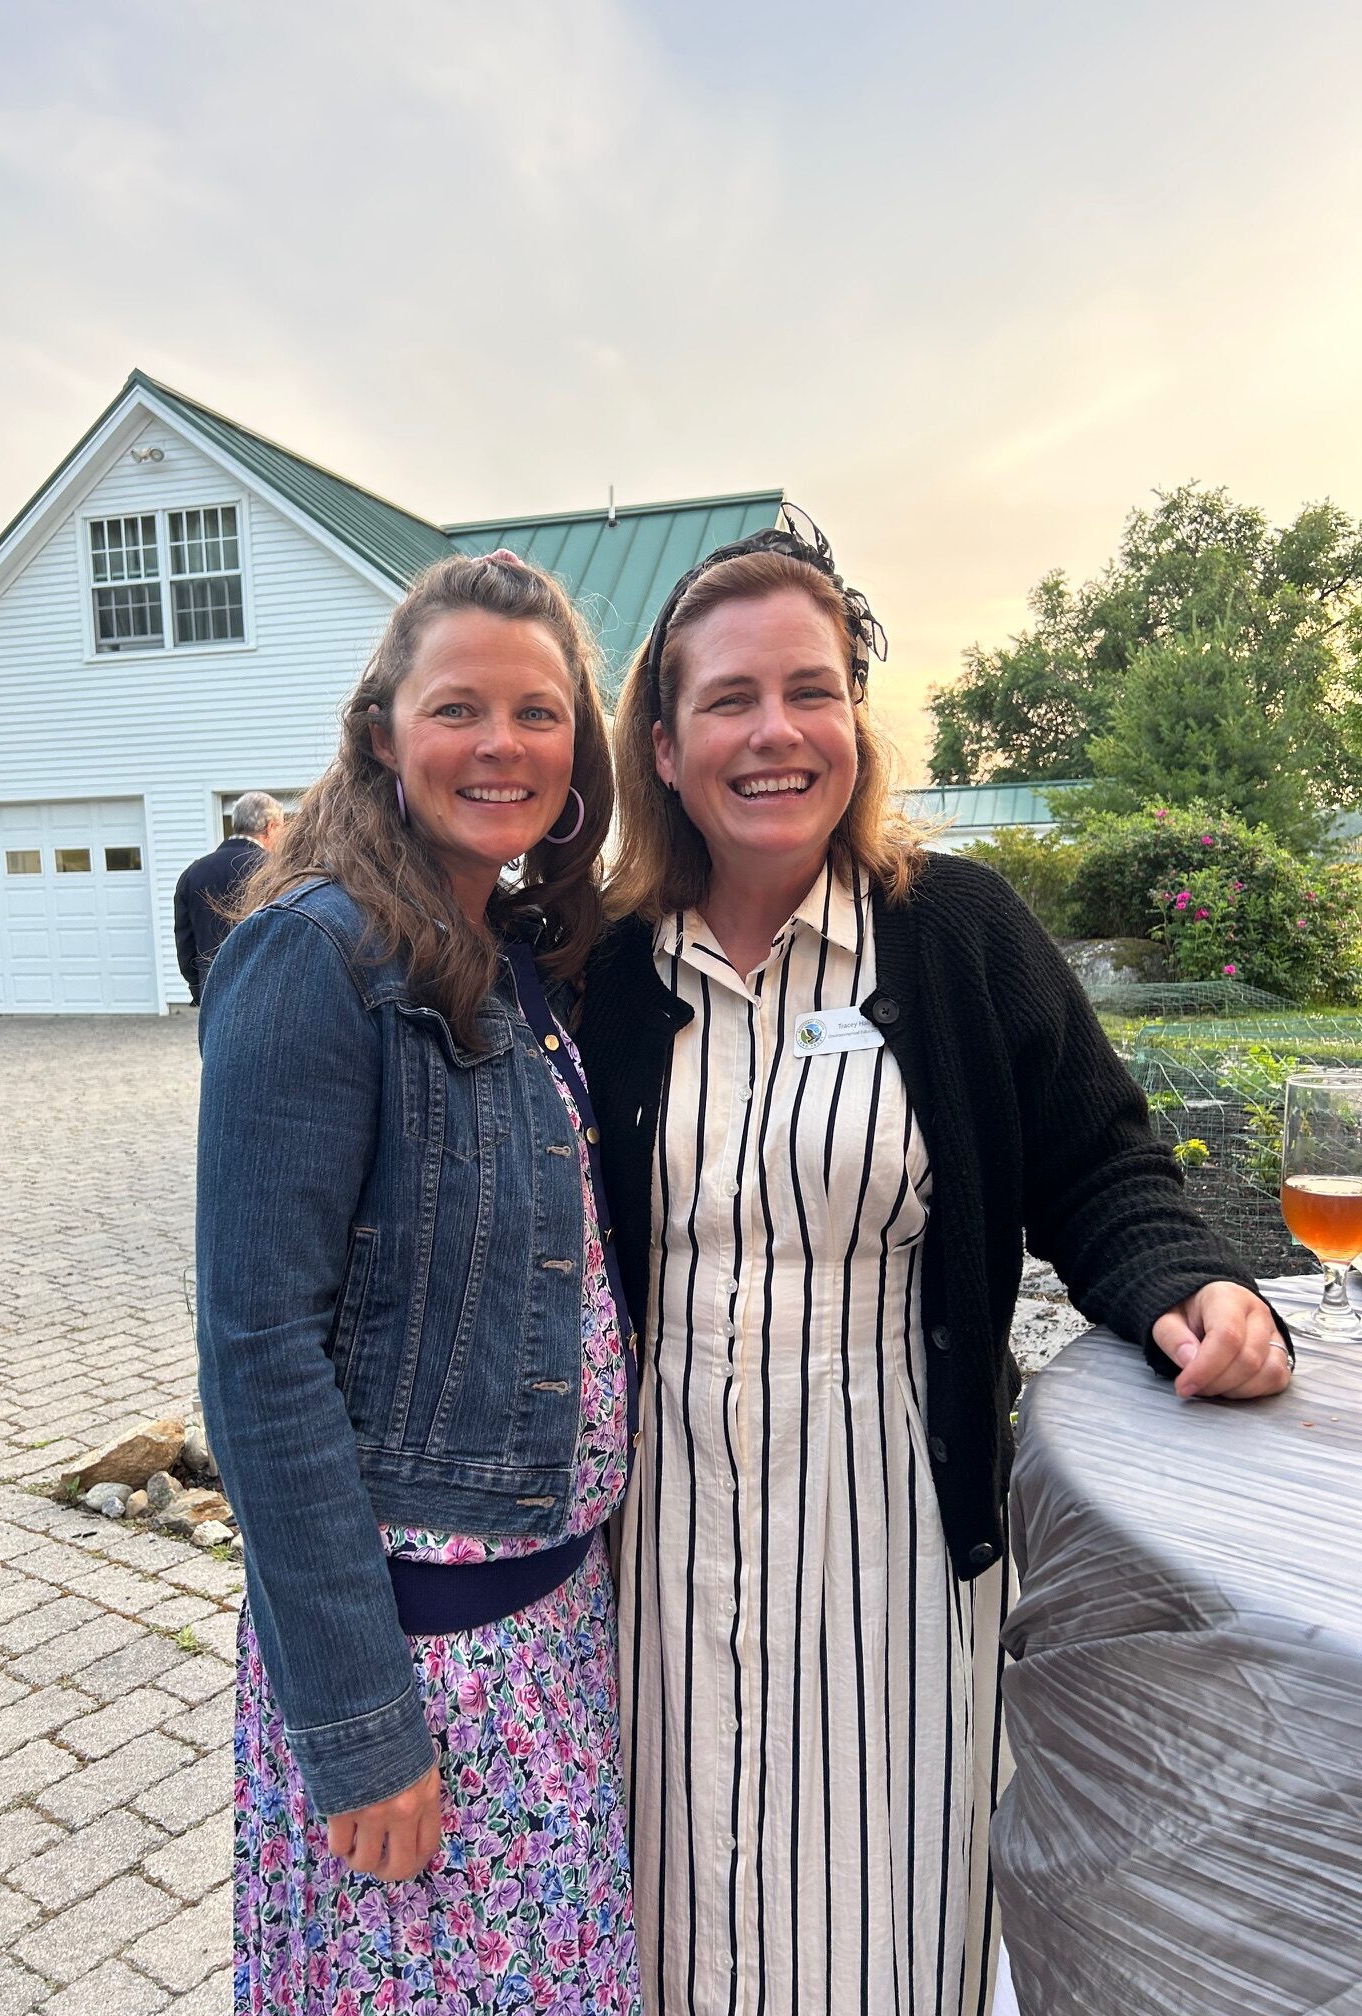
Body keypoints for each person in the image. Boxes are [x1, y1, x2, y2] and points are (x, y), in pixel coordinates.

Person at [572, 514, 1293, 2016]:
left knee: (883, 1912)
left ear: (856, 719)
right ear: (664, 745)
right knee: (664, 1893)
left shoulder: (955, 934)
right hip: (655, 1526)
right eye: (730, 698)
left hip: (891, 1515)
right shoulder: (602, 966)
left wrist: (1189, 1286)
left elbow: (1101, 1165)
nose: (777, 732)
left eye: (812, 690)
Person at [195, 552, 641, 2015]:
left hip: (549, 1638)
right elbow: (258, 1350)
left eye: (536, 712)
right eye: (458, 708)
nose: (499, 744)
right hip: (422, 1668)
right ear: (384, 731)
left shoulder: (506, 954)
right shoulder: (314, 955)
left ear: (576, 751)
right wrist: (359, 1723)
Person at [174, 791, 285, 1003]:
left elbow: (185, 945)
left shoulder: (194, 872)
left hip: (212, 995)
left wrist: (199, 990)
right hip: (265, 996)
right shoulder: (276, 871)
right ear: (270, 827)